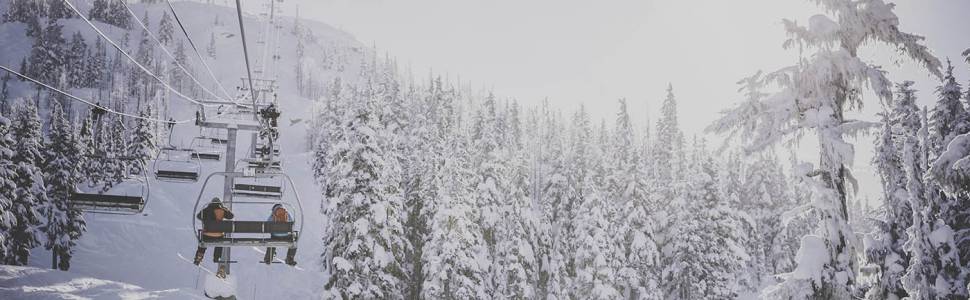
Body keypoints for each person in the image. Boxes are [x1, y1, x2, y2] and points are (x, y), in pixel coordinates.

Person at [193, 197, 234, 273]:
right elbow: (231, 216)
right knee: (219, 242)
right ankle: (216, 257)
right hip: (218, 235)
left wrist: (205, 213)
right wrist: (225, 208)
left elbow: (198, 216)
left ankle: (199, 256)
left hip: (206, 235)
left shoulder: (206, 210)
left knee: (202, 243)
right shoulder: (222, 210)